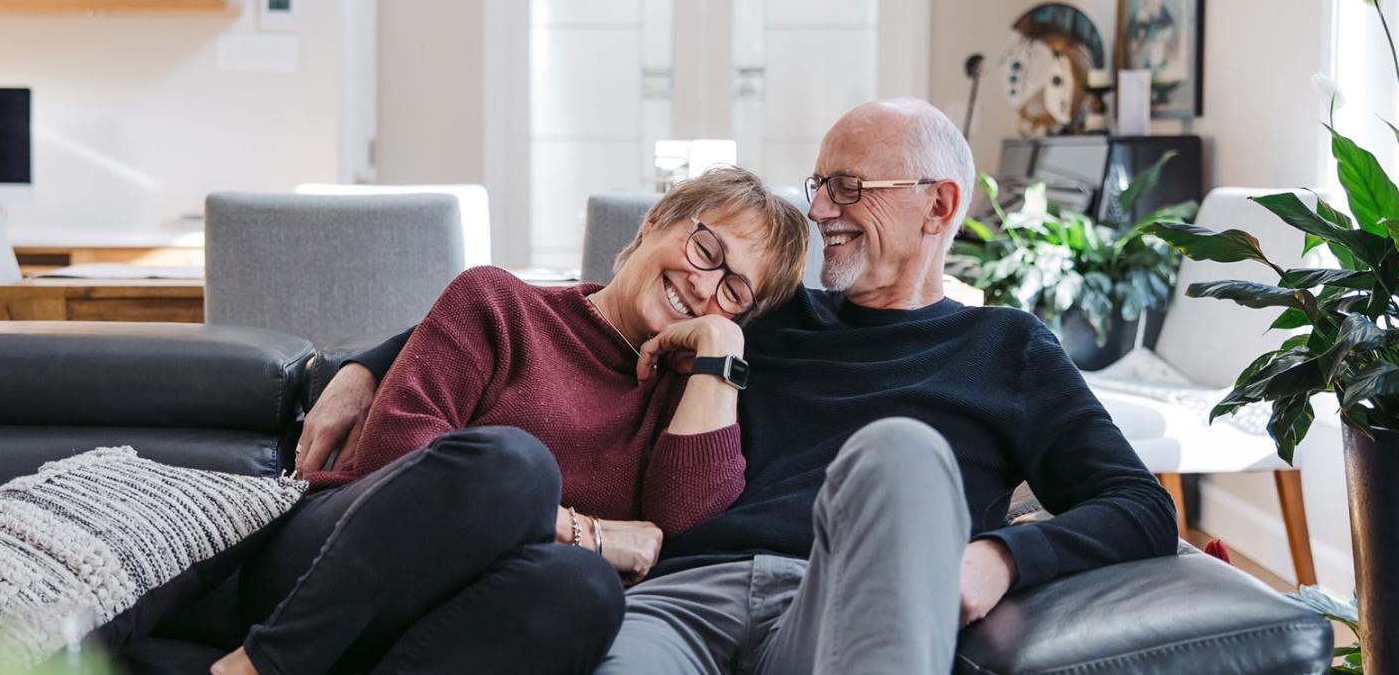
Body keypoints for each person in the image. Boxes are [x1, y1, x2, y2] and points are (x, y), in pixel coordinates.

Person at [303, 98, 1178, 674]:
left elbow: (1140, 505)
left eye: (849, 188)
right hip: (677, 597)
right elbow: (562, 314)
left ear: (939, 206)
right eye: (819, 184)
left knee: (902, 450)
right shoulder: (762, 311)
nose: (823, 209)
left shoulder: (1008, 348)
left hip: (840, 599)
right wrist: (362, 362)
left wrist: (1002, 556)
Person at [210, 166, 812, 675]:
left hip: (467, 617)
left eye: (735, 292)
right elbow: (398, 463)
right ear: (655, 221)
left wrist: (718, 348)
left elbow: (682, 531)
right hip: (337, 563)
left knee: (585, 591)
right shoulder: (497, 302)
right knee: (512, 464)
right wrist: (588, 534)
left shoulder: (690, 400)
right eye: (706, 251)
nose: (704, 286)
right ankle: (262, 666)